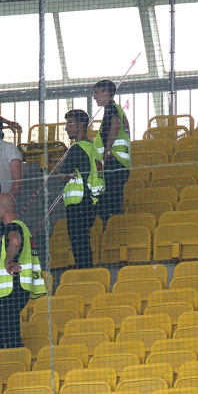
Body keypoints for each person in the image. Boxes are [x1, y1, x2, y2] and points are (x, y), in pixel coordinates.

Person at [0, 193, 46, 349]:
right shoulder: (24, 228)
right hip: (20, 289)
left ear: (4, 209)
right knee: (11, 333)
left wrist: (7, 261)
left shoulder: (13, 227)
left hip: (13, 288)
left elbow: (15, 241)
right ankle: (15, 362)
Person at [59, 109, 103, 269]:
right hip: (91, 200)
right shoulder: (91, 147)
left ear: (82, 125)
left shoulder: (77, 148)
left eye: (70, 123)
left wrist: (65, 173)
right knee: (83, 240)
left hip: (78, 202)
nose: (66, 128)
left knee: (78, 241)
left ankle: (84, 272)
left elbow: (62, 175)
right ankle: (86, 270)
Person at [93, 79, 131, 221]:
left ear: (106, 93)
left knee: (107, 203)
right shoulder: (118, 109)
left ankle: (111, 229)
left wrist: (107, 151)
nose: (94, 97)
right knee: (115, 201)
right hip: (122, 163)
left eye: (96, 93)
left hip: (113, 162)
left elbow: (115, 125)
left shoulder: (111, 108)